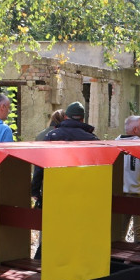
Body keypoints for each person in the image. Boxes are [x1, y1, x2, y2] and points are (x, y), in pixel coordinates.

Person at [30, 101, 97, 259]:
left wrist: (35, 191)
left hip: (53, 193)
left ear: (66, 117)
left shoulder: (51, 136)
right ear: (82, 119)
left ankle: (43, 262)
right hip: (80, 195)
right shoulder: (92, 139)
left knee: (51, 229)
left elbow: (40, 166)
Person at [117, 115, 140, 243]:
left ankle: (115, 258)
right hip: (139, 194)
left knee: (119, 232)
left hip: (119, 195)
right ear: (135, 130)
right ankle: (138, 260)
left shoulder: (114, 144)